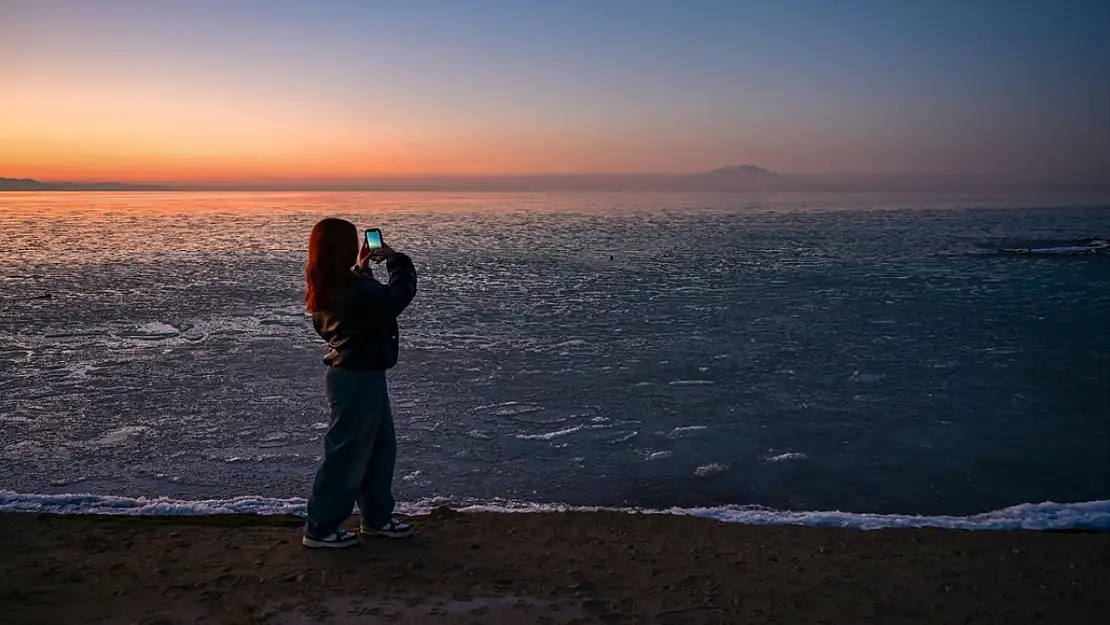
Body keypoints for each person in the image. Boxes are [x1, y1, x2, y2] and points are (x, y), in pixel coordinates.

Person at [301, 217, 418, 548]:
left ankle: (377, 518)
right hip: (357, 379)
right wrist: (395, 258)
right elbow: (397, 296)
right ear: (345, 249)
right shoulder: (352, 289)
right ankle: (320, 528)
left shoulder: (328, 287)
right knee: (346, 455)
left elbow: (360, 306)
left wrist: (364, 269)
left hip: (359, 375)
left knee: (380, 450)